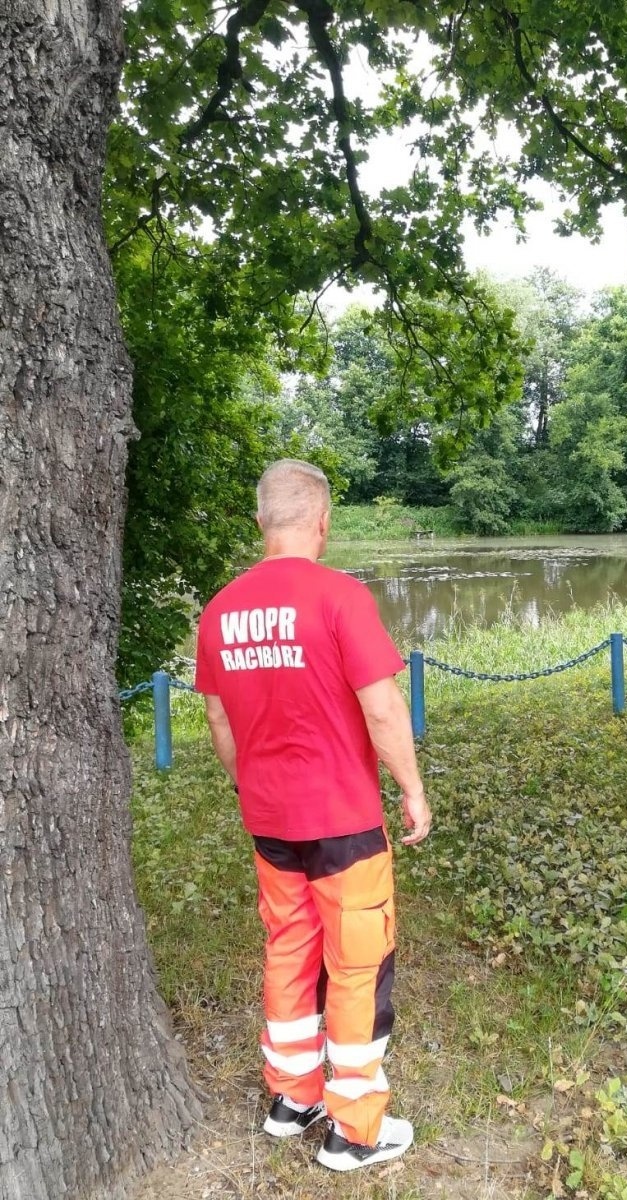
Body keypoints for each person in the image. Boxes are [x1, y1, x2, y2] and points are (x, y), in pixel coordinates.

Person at [195, 458, 431, 1173]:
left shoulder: (220, 608)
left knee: (288, 950)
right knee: (357, 964)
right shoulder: (340, 597)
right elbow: (383, 705)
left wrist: (251, 787)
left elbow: (217, 717)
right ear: (323, 521)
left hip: (270, 822)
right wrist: (413, 789)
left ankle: (291, 1098)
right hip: (345, 820)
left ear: (261, 521)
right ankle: (355, 1129)